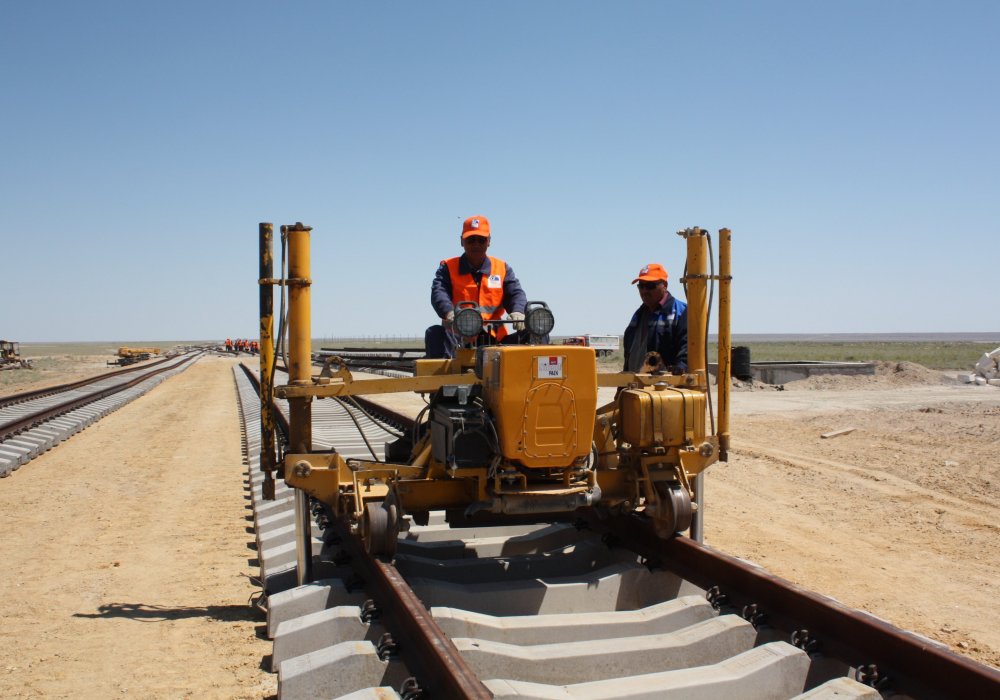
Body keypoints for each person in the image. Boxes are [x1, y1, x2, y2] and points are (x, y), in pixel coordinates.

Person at [425, 215, 529, 358]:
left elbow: (515, 294)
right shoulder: (448, 267)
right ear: (462, 241)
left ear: (489, 242)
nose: (476, 244)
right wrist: (449, 313)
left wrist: (518, 311)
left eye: (481, 240)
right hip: (458, 339)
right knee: (434, 333)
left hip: (496, 341)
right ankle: (444, 377)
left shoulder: (502, 268)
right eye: (470, 240)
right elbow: (439, 293)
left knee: (535, 331)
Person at [623, 263, 688, 373]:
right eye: (641, 286)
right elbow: (629, 355)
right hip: (636, 386)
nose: (644, 291)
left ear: (664, 285)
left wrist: (679, 369)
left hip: (664, 387)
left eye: (650, 286)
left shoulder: (681, 312)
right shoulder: (638, 315)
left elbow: (687, 349)